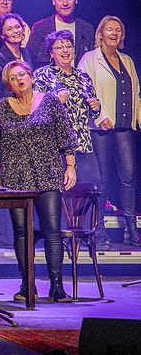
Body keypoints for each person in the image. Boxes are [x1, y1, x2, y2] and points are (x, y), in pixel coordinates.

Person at [0, 60, 77, 302]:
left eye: (22, 75)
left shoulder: (50, 102)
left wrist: (70, 166)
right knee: (21, 234)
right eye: (13, 78)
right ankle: (27, 284)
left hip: (47, 175)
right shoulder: (2, 108)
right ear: (9, 85)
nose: (19, 80)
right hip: (16, 179)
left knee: (52, 232)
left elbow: (66, 136)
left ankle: (57, 286)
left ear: (31, 76)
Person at [35, 30, 104, 246]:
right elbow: (34, 110)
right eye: (59, 47)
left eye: (68, 46)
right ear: (51, 53)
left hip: (82, 142)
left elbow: (92, 109)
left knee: (92, 186)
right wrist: (54, 100)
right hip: (57, 147)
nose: (65, 50)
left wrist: (96, 106)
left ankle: (91, 235)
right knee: (60, 193)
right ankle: (61, 238)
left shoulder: (82, 75)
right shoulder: (42, 75)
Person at [78, 16, 141, 246]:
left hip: (124, 126)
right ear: (101, 33)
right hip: (101, 127)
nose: (114, 33)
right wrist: (100, 116)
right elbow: (84, 89)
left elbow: (135, 95)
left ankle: (131, 229)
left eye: (118, 30)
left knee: (129, 178)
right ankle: (98, 228)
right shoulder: (90, 59)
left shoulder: (127, 60)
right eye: (109, 29)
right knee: (102, 179)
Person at [0, 13, 34, 131]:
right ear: (2, 35)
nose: (15, 31)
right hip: (8, 118)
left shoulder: (26, 53)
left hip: (27, 113)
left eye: (17, 27)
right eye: (9, 29)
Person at [27, 0, 95, 69]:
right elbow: (30, 59)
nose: (65, 3)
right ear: (53, 1)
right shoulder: (40, 28)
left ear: (76, 0)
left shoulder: (87, 29)